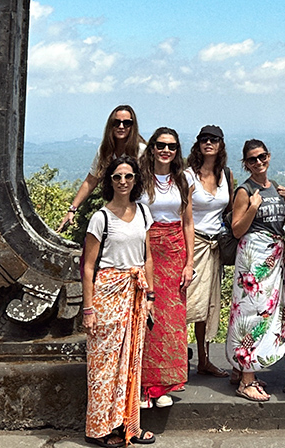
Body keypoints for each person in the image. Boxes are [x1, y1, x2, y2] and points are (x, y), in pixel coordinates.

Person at [80, 156, 156, 447]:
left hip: (136, 294)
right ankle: (99, 428)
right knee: (105, 363)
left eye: (128, 176)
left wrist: (150, 296)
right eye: (117, 177)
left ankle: (129, 426)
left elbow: (147, 257)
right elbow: (88, 266)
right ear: (109, 181)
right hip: (108, 293)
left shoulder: (143, 213)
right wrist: (88, 308)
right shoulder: (101, 217)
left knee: (131, 363)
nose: (123, 182)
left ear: (136, 180)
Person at [225, 140, 285, 402]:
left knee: (266, 313)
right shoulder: (245, 191)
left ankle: (241, 369)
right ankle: (247, 380)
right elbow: (237, 229)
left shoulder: (274, 186)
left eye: (262, 156)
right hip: (254, 260)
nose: (258, 162)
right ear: (246, 164)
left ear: (269, 156)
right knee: (251, 312)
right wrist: (253, 207)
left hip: (273, 258)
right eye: (252, 160)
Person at [139, 127, 193, 409]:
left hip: (174, 252)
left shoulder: (181, 180)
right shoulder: (140, 179)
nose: (166, 150)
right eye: (161, 145)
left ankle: (163, 385)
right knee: (146, 316)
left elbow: (187, 222)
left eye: (171, 146)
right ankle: (142, 385)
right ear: (152, 147)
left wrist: (189, 263)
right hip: (146, 249)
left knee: (171, 321)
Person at [182, 125, 232, 378]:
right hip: (194, 243)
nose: (208, 143)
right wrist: (188, 257)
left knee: (209, 306)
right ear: (198, 144)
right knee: (186, 302)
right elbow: (185, 216)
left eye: (213, 140)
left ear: (221, 144)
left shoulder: (226, 176)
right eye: (204, 139)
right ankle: (177, 358)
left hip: (216, 246)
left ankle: (204, 359)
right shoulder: (188, 176)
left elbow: (230, 211)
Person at [61, 105, 147, 231]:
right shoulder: (105, 150)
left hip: (138, 211)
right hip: (115, 207)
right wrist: (72, 209)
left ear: (132, 126)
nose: (121, 126)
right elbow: (91, 180)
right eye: (116, 122)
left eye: (126, 123)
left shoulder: (141, 151)